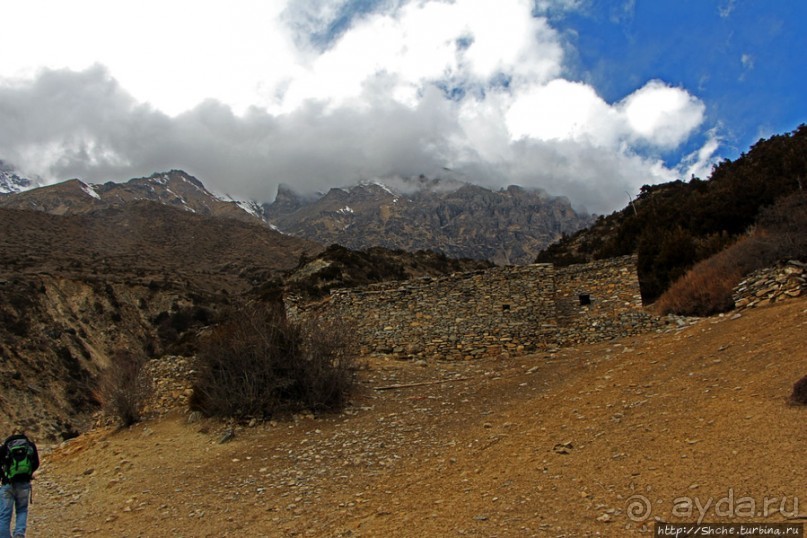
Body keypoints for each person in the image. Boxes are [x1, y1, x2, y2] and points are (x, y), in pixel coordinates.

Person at [0, 431, 39, 538]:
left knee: (4, 515)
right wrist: (28, 474)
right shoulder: (30, 446)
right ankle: (19, 534)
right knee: (22, 510)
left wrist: (3, 476)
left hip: (8, 484)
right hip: (24, 484)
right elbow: (36, 463)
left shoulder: (5, 447)